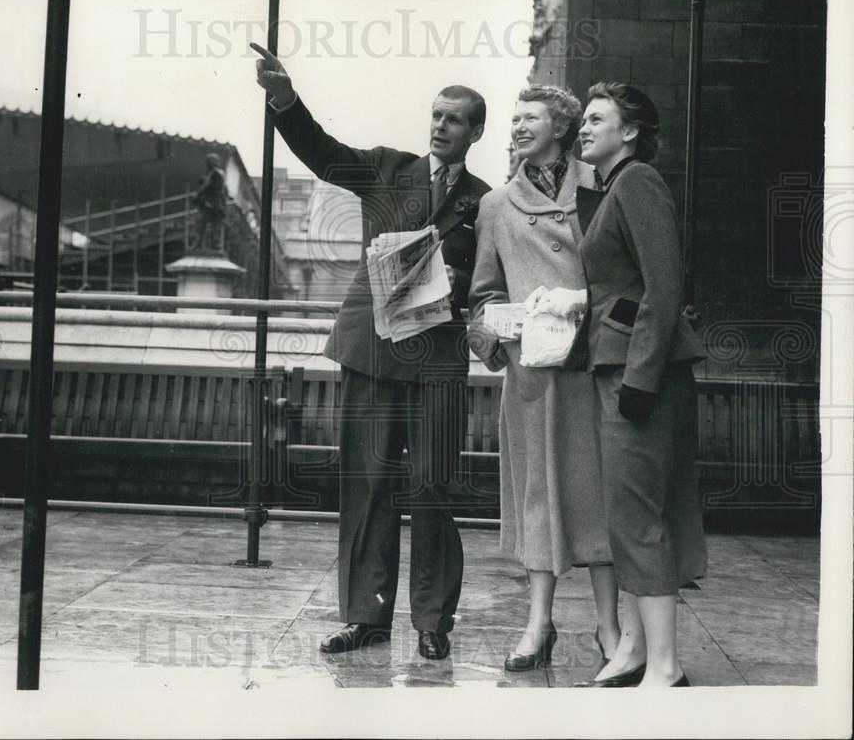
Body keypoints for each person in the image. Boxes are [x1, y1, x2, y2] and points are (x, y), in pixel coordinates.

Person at [251, 42, 491, 660]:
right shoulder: (388, 168)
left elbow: (493, 278)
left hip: (436, 357)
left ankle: (433, 620)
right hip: (374, 349)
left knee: (434, 485)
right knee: (369, 484)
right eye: (436, 114)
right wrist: (285, 101)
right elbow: (325, 155)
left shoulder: (486, 201)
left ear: (476, 131)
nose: (441, 125)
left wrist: (452, 286)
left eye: (455, 118)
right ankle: (366, 617)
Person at [468, 85, 620, 672]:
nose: (517, 126)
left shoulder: (601, 185)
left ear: (561, 125)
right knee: (537, 497)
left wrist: (581, 304)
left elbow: (624, 275)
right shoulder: (497, 204)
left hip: (593, 366)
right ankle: (538, 625)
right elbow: (484, 292)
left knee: (599, 496)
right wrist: (497, 331)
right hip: (532, 376)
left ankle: (611, 631)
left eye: (529, 116)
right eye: (513, 118)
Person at [572, 81, 708, 687]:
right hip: (622, 368)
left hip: (639, 376)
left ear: (628, 132)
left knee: (637, 514)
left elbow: (664, 284)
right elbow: (627, 291)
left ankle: (667, 666)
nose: (584, 127)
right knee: (627, 514)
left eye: (596, 118)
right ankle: (634, 650)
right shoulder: (611, 188)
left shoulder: (637, 183)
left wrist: (641, 374)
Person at [190, 152, 228, 251]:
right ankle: (211, 245)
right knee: (209, 224)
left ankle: (202, 244)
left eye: (208, 162)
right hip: (214, 204)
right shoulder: (217, 173)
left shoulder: (216, 173)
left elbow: (207, 186)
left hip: (212, 203)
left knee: (203, 223)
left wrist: (197, 195)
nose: (207, 164)